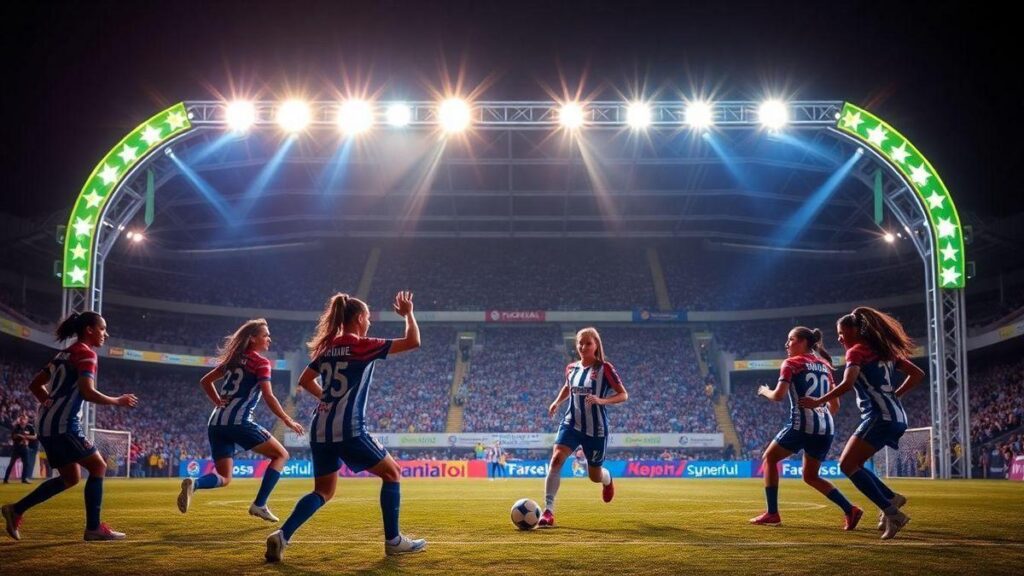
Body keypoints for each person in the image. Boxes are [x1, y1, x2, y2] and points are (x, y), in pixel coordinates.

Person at [265, 291, 426, 562]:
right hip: (349, 428)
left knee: (322, 491)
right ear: (360, 318)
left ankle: (282, 535)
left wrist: (327, 399)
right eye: (368, 318)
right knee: (393, 473)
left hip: (320, 429)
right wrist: (408, 314)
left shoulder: (327, 348)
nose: (369, 323)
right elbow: (413, 341)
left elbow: (304, 380)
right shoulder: (362, 345)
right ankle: (393, 541)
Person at [2, 311, 138, 541]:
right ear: (89, 330)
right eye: (102, 329)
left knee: (71, 477)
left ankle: (15, 510)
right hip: (63, 425)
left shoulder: (63, 354)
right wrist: (118, 401)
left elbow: (35, 385)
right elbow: (87, 392)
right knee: (98, 466)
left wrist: (49, 403)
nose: (106, 334)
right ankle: (93, 529)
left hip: (46, 423)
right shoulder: (87, 354)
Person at [799, 307, 924, 540]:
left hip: (879, 417)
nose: (839, 338)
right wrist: (895, 396)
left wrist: (818, 401)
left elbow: (847, 384)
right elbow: (917, 374)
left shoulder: (856, 351)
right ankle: (891, 498)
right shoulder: (884, 350)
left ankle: (893, 513)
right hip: (896, 417)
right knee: (856, 463)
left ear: (855, 331)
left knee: (847, 464)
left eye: (841, 333)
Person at [177, 319, 304, 522]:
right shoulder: (261, 363)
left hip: (216, 422)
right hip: (238, 422)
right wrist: (287, 420)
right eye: (265, 335)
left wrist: (218, 401)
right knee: (281, 455)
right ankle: (259, 504)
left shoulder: (233, 360)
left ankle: (196, 483)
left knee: (224, 477)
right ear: (252, 338)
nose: (269, 339)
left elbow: (205, 381)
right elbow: (269, 396)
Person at [749, 327, 862, 530]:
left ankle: (772, 513)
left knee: (770, 458)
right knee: (810, 476)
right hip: (826, 428)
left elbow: (778, 396)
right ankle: (850, 509)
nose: (787, 344)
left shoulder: (791, 363)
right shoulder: (825, 365)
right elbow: (835, 406)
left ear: (802, 342)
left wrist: (765, 391)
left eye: (790, 339)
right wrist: (819, 418)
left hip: (802, 425)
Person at [538, 327, 628, 528]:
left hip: (596, 430)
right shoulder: (571, 368)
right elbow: (568, 386)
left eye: (588, 343)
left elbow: (623, 394)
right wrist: (557, 402)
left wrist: (602, 400)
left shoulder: (605, 368)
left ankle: (607, 479)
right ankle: (548, 511)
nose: (583, 346)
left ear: (596, 345)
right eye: (580, 343)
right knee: (556, 460)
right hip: (571, 423)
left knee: (594, 476)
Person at [4, 414, 36, 484]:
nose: (22, 420)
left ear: (27, 420)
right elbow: (14, 436)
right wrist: (22, 436)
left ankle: (24, 479)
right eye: (21, 419)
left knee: (26, 464)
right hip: (17, 448)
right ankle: (5, 479)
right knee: (11, 464)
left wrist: (26, 437)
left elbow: (35, 437)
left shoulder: (29, 427)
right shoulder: (16, 427)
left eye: (24, 419)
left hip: (25, 448)